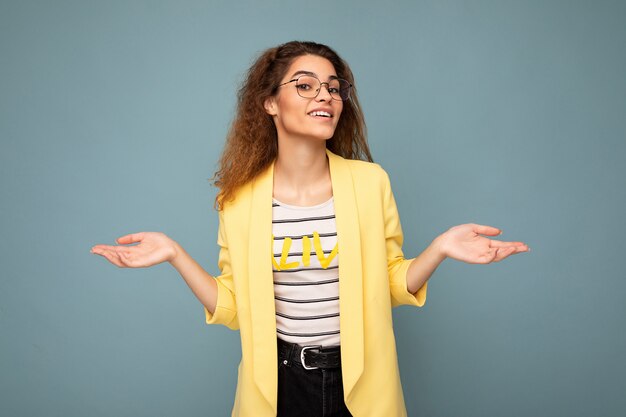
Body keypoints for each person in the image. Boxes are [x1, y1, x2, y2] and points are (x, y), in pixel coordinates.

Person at [91, 41, 529, 417]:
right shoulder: (238, 200)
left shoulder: (369, 182)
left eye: (334, 88)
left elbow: (391, 282)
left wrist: (439, 249)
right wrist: (173, 254)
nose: (326, 96)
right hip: (277, 388)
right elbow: (235, 307)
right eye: (305, 85)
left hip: (362, 386)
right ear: (269, 102)